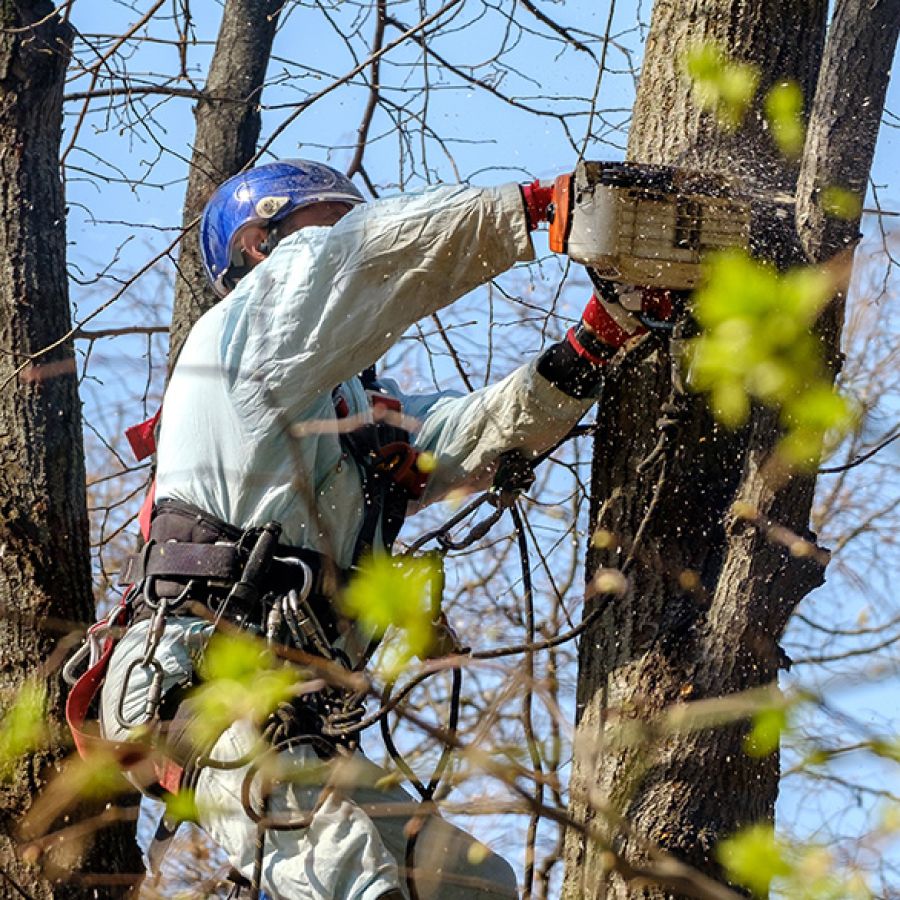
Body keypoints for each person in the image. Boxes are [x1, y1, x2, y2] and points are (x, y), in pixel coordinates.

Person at [96, 159, 655, 899]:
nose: (346, 234)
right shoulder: (242, 338)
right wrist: (538, 209)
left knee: (474, 887)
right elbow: (358, 259)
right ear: (260, 245)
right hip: (202, 686)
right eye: (327, 221)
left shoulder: (349, 411)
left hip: (298, 709)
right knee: (347, 875)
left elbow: (467, 437)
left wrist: (591, 345)